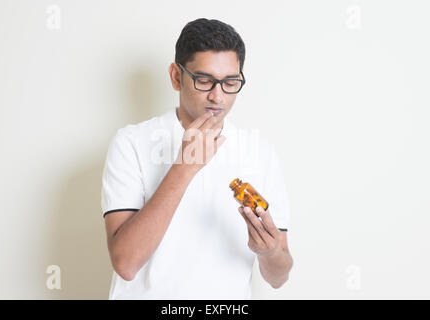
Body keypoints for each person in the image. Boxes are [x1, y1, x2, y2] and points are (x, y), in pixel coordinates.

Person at [100, 18, 293, 300]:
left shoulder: (260, 152)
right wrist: (185, 167)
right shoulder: (131, 143)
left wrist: (270, 252)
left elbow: (279, 276)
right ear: (176, 76)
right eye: (204, 80)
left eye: (230, 82)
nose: (218, 96)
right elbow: (126, 264)